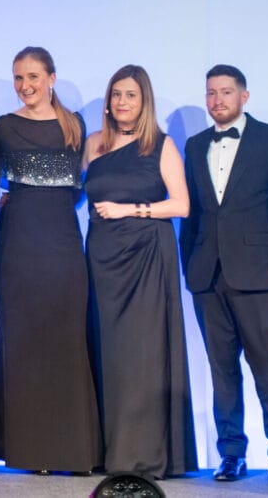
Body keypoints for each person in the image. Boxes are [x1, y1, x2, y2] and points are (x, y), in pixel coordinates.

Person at [179, 64, 268, 487]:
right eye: (211, 93)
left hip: (259, 275)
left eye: (226, 92)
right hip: (207, 277)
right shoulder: (195, 145)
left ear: (244, 96)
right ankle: (231, 453)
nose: (217, 100)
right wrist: (189, 268)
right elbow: (192, 214)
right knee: (222, 371)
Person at [0, 46, 102, 473]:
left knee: (66, 341)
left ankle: (73, 451)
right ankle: (32, 451)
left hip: (63, 243)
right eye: (19, 78)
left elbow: (78, 189)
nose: (25, 85)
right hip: (17, 244)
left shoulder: (75, 126)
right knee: (24, 342)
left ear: (51, 78)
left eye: (33, 76)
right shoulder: (3, 127)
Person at [83, 64, 198, 478]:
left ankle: (144, 456)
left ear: (144, 100)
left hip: (147, 258)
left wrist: (130, 210)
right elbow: (73, 194)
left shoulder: (161, 145)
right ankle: (106, 450)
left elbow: (181, 205)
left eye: (130, 95)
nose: (122, 102)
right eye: (116, 94)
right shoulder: (93, 144)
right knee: (107, 352)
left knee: (142, 353)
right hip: (101, 260)